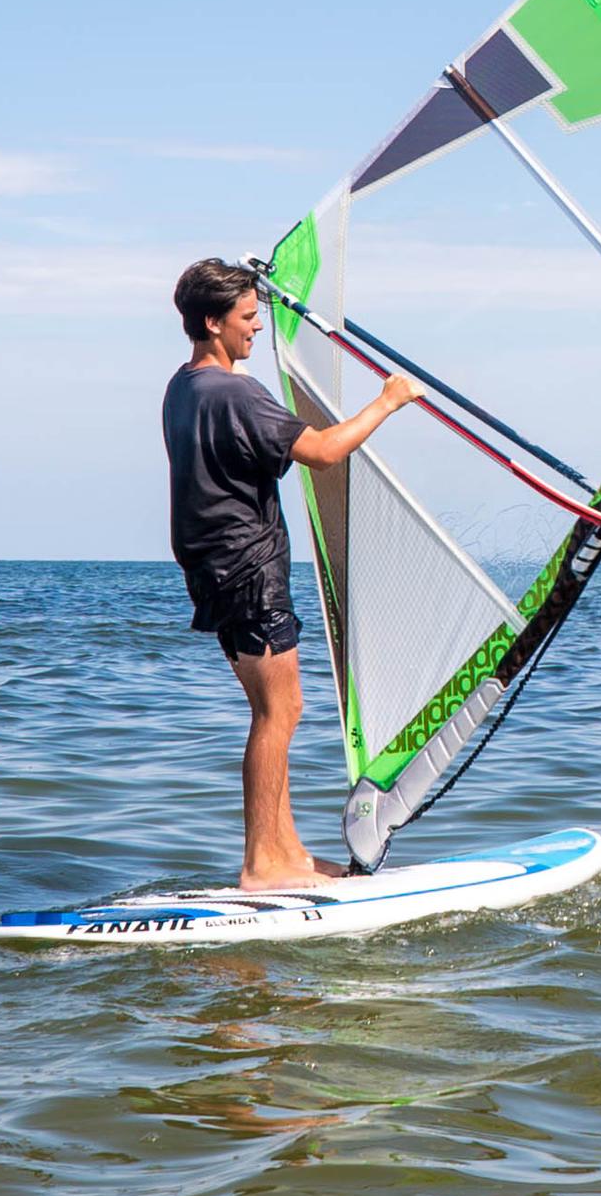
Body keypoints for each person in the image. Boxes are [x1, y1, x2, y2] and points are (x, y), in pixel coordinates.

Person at [165, 257, 418, 889]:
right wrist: (387, 401)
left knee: (273, 708)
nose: (257, 328)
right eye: (248, 318)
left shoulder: (184, 385)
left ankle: (290, 854)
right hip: (248, 568)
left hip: (215, 569)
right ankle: (262, 865)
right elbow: (325, 454)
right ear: (211, 321)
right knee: (279, 712)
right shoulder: (235, 393)